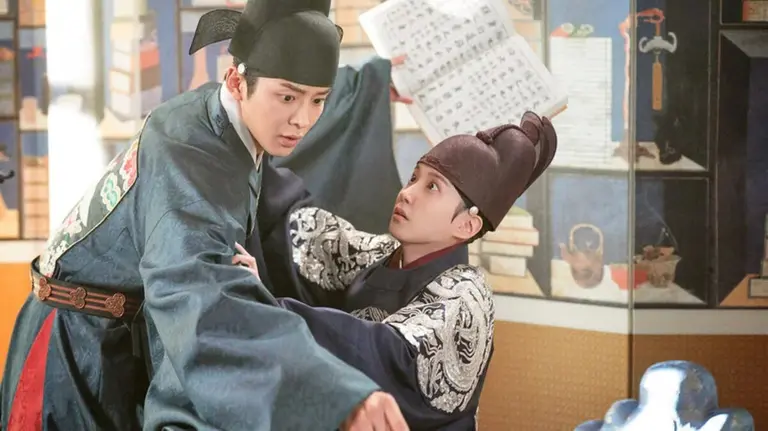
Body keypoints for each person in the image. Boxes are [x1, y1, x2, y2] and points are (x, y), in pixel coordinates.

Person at [0, 0, 411, 430]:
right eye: (288, 97)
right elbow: (203, 297)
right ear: (236, 81)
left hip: (122, 338)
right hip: (75, 344)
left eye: (319, 100)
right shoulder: (187, 154)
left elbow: (297, 96)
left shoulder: (235, 118)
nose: (302, 120)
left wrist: (369, 87)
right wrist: (330, 396)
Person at [238, 113, 558, 429]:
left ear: (467, 225)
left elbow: (387, 352)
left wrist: (269, 309)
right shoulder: (384, 253)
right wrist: (250, 148)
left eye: (432, 187)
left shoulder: (466, 296)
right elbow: (308, 233)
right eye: (414, 178)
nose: (408, 193)